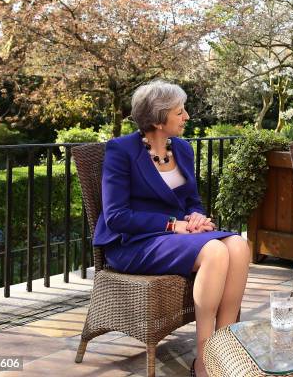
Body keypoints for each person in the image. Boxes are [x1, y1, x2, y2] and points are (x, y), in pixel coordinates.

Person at [93, 80, 250, 377]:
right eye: (180, 111)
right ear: (157, 119)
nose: (187, 116)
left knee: (239, 246)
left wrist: (196, 218)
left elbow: (192, 199)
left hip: (176, 235)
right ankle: (204, 360)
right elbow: (116, 216)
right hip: (133, 242)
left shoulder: (182, 149)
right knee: (216, 251)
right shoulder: (121, 151)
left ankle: (224, 350)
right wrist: (171, 224)